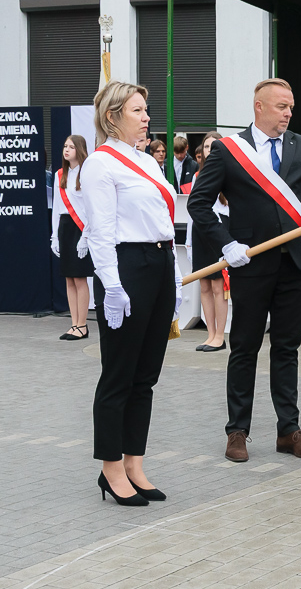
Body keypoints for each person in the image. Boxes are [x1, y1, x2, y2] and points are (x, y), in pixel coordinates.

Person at [188, 78, 301, 463]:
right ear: (259, 107)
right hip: (250, 261)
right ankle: (237, 431)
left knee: (287, 348)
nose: (288, 113)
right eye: (282, 106)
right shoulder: (231, 150)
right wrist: (226, 243)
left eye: (291, 107)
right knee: (245, 348)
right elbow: (199, 203)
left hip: (294, 263)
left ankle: (289, 431)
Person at [81, 81, 182, 506]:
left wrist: (172, 277)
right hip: (127, 268)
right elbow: (101, 232)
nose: (146, 117)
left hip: (158, 265)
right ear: (113, 116)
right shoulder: (101, 165)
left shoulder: (147, 161)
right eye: (137, 110)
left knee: (146, 377)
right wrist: (113, 286)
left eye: (146, 109)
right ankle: (110, 469)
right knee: (118, 375)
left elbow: (163, 220)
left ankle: (134, 463)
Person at [186, 131, 229, 352]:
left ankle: (220, 335)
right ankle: (210, 333)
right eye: (206, 147)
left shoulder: (228, 173)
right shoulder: (197, 175)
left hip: (219, 231)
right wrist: (189, 242)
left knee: (217, 286)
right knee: (203, 285)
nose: (210, 151)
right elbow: (193, 210)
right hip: (200, 234)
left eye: (214, 146)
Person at [50, 135, 94, 340]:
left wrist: (85, 237)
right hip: (65, 227)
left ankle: (83, 325)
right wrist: (54, 237)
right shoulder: (60, 174)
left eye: (71, 147)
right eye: (65, 146)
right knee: (69, 278)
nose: (66, 150)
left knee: (79, 277)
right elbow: (57, 209)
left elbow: (90, 209)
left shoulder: (87, 174)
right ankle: (74, 323)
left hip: (81, 228)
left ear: (80, 149)